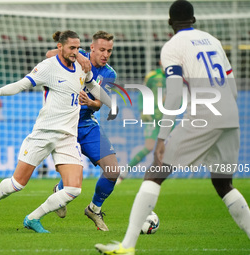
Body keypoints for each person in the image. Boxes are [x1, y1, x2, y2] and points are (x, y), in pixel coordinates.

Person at [95, 0, 250, 253]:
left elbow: (175, 94)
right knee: (224, 184)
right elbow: (231, 88)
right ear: (194, 20)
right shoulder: (213, 41)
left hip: (204, 112)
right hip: (231, 115)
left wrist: (162, 137)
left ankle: (126, 246)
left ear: (170, 23)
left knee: (154, 173)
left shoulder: (172, 46)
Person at [0, 30, 115, 233]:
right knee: (17, 184)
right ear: (60, 47)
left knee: (73, 189)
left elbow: (94, 86)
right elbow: (22, 84)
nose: (75, 52)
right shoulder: (48, 67)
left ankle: (33, 218)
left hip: (68, 136)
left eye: (77, 48)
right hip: (45, 133)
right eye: (72, 48)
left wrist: (110, 101)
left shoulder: (83, 67)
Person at [46, 31, 120, 231]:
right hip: (65, 123)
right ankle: (59, 191)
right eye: (102, 50)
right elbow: (48, 55)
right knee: (75, 175)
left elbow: (100, 103)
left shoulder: (109, 74)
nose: (106, 54)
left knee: (113, 170)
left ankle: (94, 209)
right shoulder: (74, 57)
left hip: (87, 124)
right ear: (92, 48)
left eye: (109, 51)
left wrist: (91, 102)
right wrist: (79, 55)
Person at [117, 62, 165, 184]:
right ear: (161, 62)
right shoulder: (153, 76)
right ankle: (125, 171)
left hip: (168, 118)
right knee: (149, 146)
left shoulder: (176, 78)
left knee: (164, 149)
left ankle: (156, 177)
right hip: (152, 116)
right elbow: (142, 92)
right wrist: (143, 109)